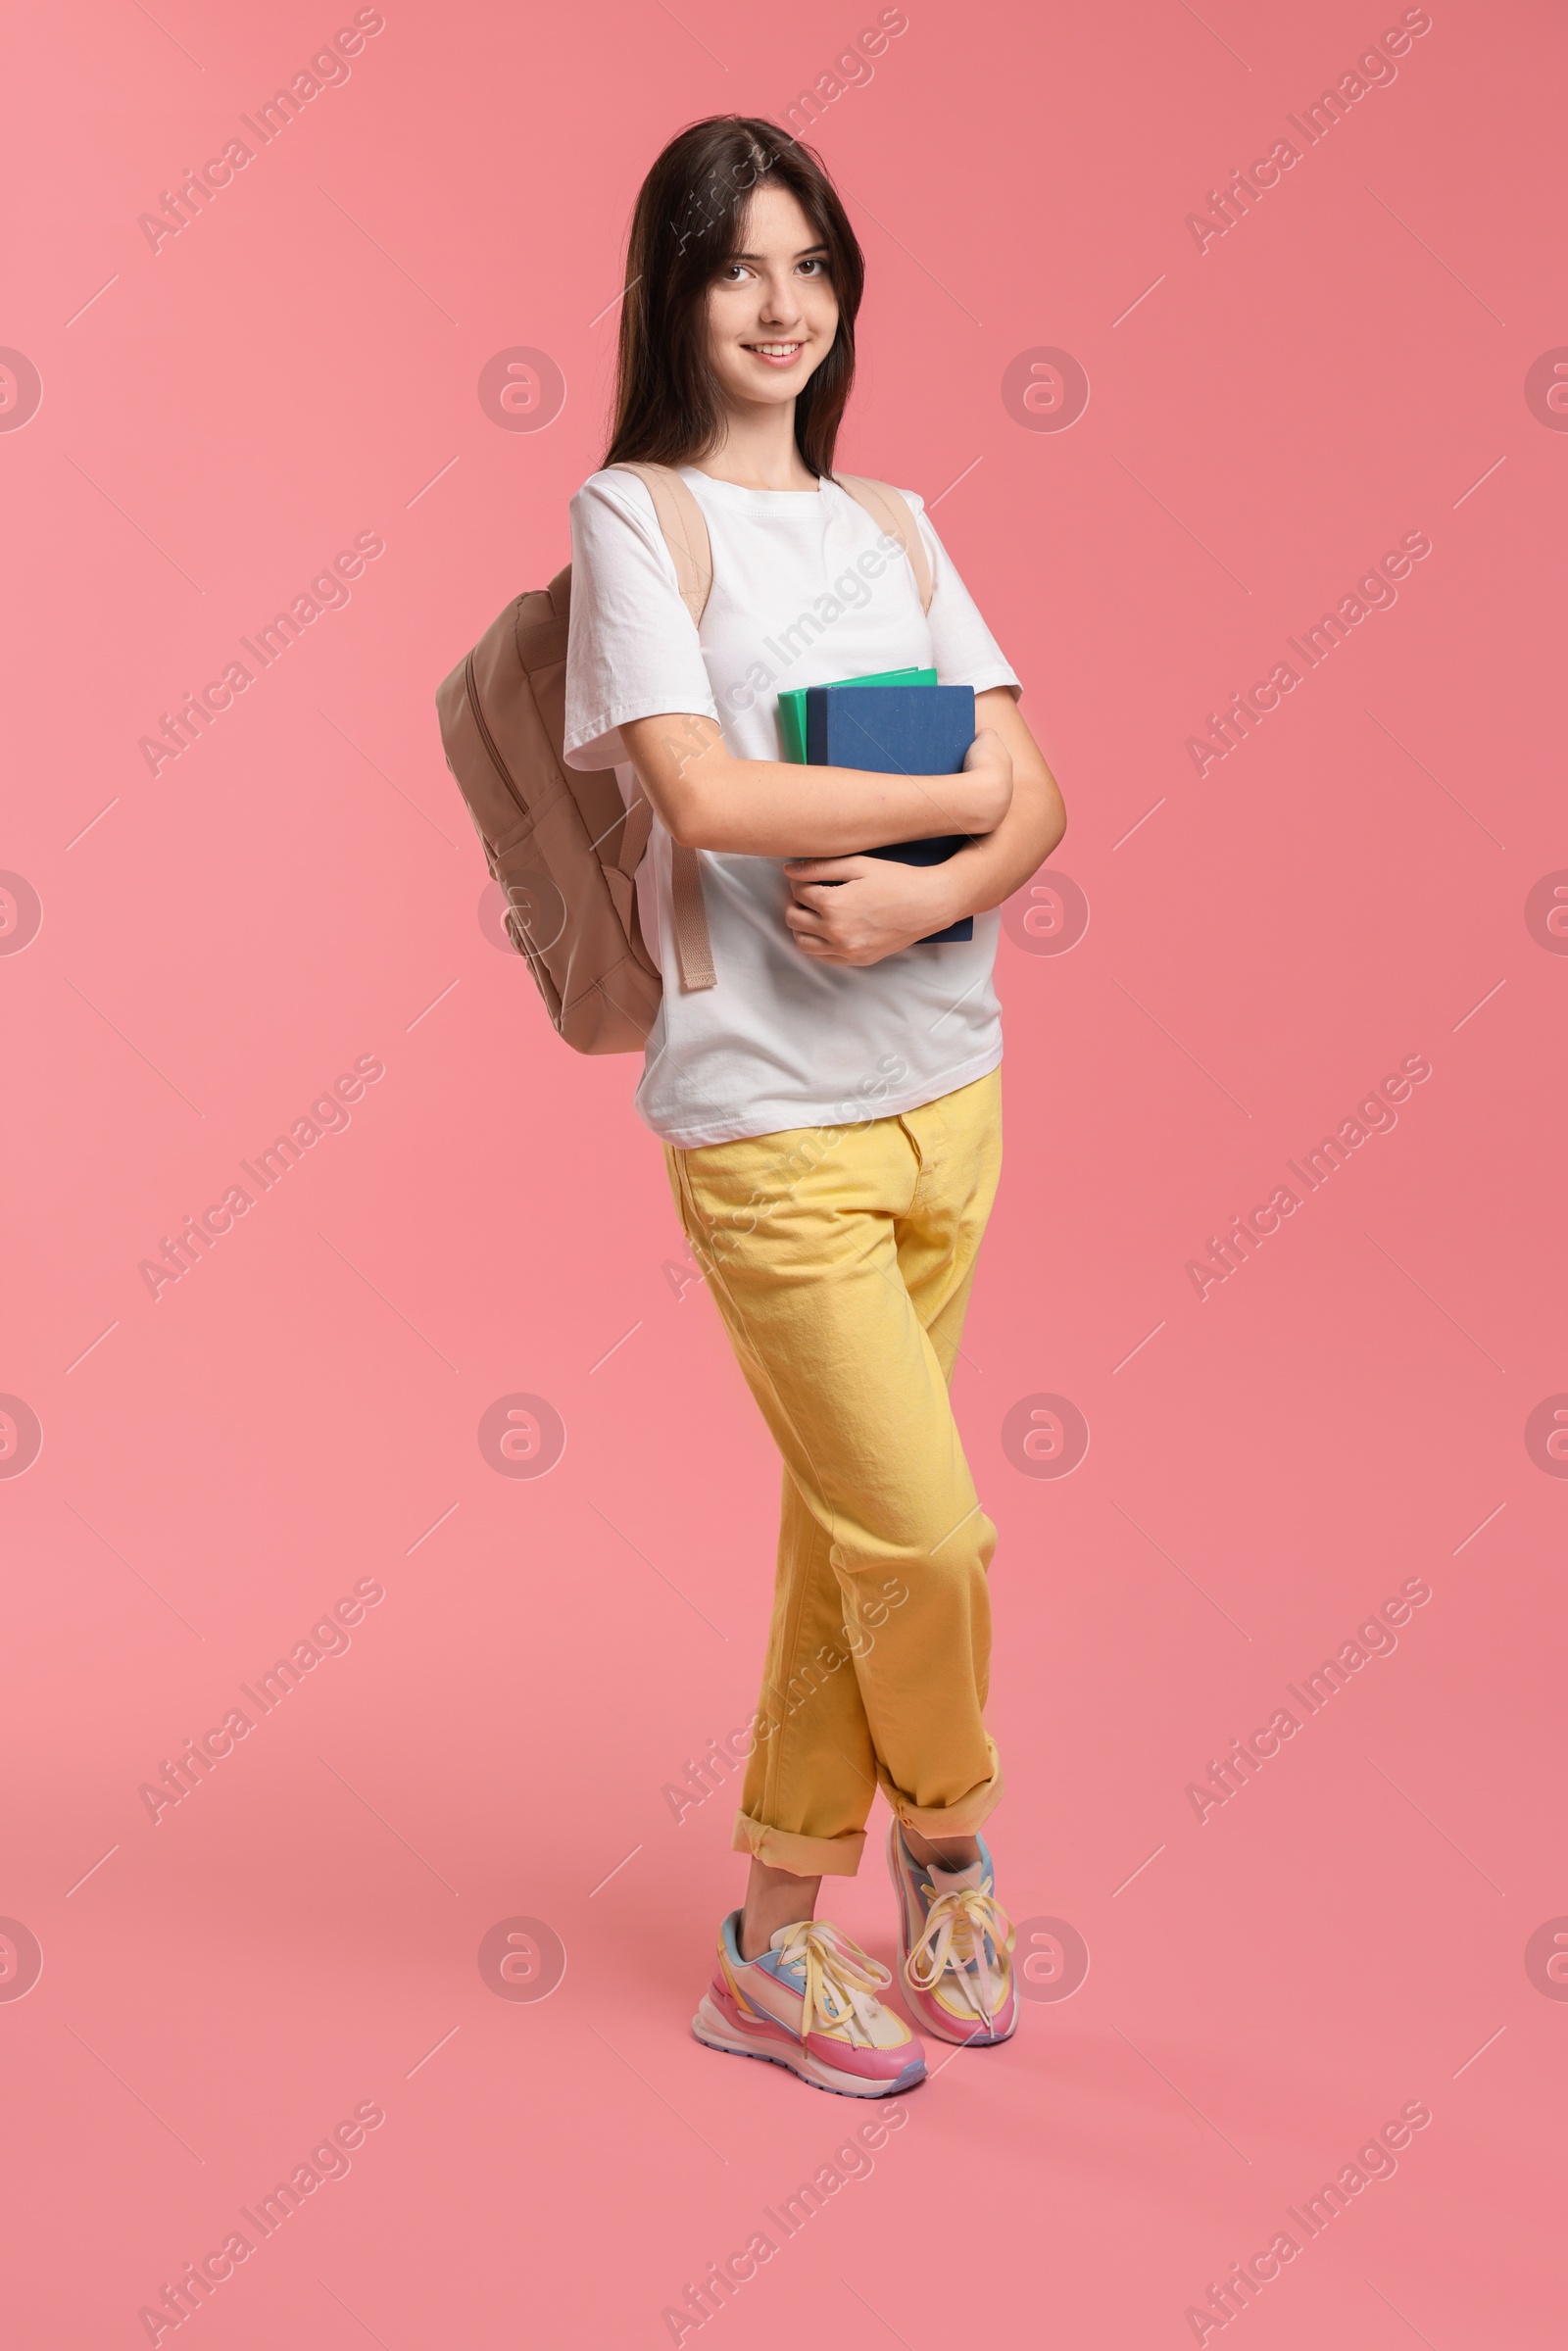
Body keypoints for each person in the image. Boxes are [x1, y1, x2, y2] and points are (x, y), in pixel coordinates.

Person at [563, 116, 1065, 2097]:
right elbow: (704, 797)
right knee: (923, 1540)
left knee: (842, 1534)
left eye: (811, 268)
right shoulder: (636, 519)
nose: (779, 308)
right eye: (735, 268)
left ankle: (773, 1940)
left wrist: (939, 880)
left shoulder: (901, 529)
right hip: (767, 1119)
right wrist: (943, 800)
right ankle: (947, 1840)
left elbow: (1040, 797)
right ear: (672, 293)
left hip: (950, 1089)